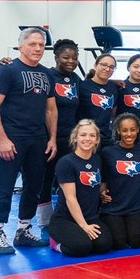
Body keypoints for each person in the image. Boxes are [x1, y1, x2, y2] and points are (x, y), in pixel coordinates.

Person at [0, 27, 57, 254]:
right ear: (21, 46)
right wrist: (2, 140)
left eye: (41, 45)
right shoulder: (7, 71)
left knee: (34, 187)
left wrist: (52, 138)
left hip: (38, 139)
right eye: (32, 44)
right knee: (5, 186)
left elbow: (50, 110)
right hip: (13, 139)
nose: (37, 48)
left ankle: (23, 230)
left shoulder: (47, 74)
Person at [48, 119, 112, 257]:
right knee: (81, 247)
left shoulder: (97, 160)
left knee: (104, 245)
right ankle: (55, 243)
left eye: (92, 135)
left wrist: (102, 192)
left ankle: (80, 234)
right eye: (83, 135)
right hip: (64, 219)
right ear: (75, 138)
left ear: (97, 140)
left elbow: (95, 185)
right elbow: (70, 198)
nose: (87, 139)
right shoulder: (66, 163)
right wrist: (84, 226)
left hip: (90, 217)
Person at [37, 37, 81, 231]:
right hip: (49, 139)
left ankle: (68, 216)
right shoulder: (46, 75)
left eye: (74, 58)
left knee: (69, 181)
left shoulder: (76, 80)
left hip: (70, 140)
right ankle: (45, 221)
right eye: (66, 57)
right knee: (46, 179)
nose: (71, 61)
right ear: (56, 57)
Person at [98, 113, 140, 250]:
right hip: (113, 207)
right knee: (119, 243)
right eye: (125, 130)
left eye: (132, 129)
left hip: (135, 207)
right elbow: (103, 177)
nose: (129, 134)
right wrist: (102, 191)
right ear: (118, 131)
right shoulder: (108, 152)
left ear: (138, 130)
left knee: (136, 242)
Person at [79, 53, 120, 139]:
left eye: (111, 67)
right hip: (86, 137)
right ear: (95, 65)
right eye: (104, 65)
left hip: (106, 137)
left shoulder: (114, 88)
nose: (107, 69)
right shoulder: (82, 86)